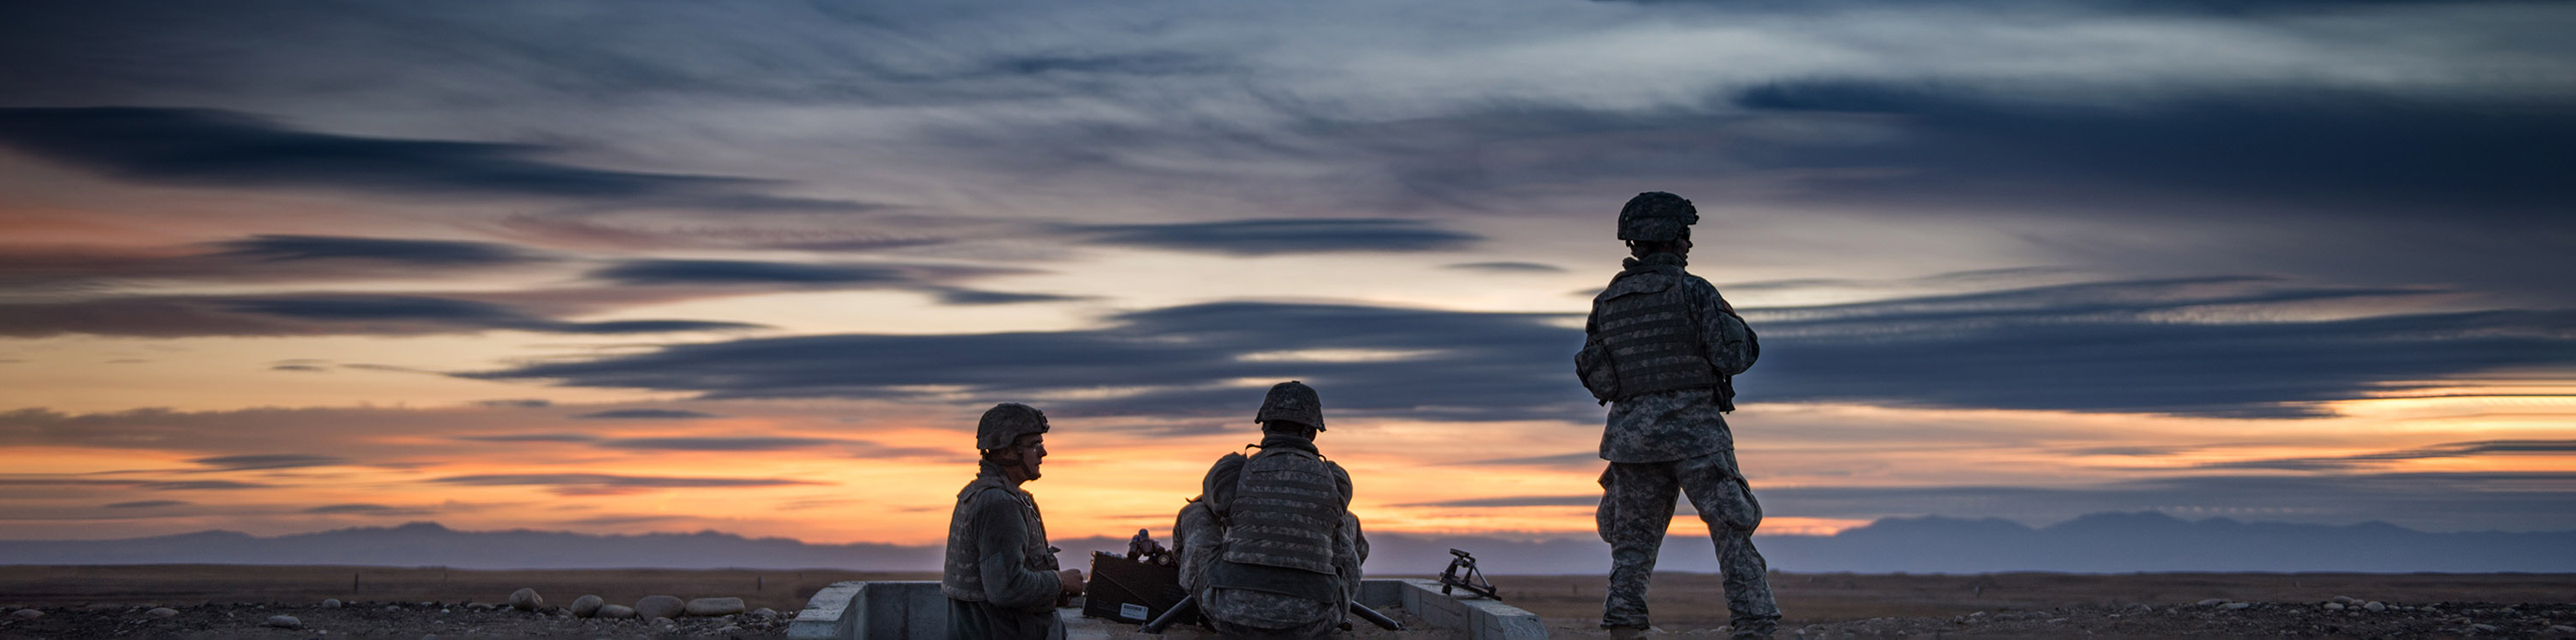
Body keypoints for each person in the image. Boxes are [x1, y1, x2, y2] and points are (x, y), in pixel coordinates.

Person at [1574, 192, 1780, 639]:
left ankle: (1625, 625)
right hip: (1695, 437)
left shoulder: (1607, 303)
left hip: (1631, 442)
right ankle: (1755, 624)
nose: (1689, 244)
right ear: (1671, 238)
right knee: (1732, 529)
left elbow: (1599, 379)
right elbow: (1734, 354)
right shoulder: (1694, 291)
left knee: (1631, 545)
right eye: (1684, 235)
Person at [1172, 381, 1368, 638]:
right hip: (1313, 624)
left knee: (1195, 512)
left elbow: (1210, 503)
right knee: (1347, 521)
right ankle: (1334, 607)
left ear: (1264, 426)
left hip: (1230, 617)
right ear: (1312, 433)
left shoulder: (1232, 471)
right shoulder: (1335, 479)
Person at [942, 402, 1085, 640]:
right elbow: (1006, 588)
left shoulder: (991, 495)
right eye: (1034, 445)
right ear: (1007, 451)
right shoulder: (999, 504)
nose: (1043, 453)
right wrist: (1060, 581)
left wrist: (1051, 592)